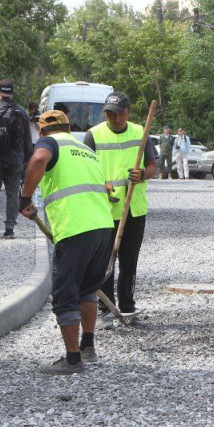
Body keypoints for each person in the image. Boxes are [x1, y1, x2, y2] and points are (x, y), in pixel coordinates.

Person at [19, 110, 114, 374]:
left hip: (75, 228)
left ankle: (73, 361)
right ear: (69, 128)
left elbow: (38, 159)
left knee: (64, 295)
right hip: (103, 227)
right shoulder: (83, 148)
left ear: (41, 130)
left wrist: (24, 198)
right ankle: (88, 347)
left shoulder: (49, 143)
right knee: (87, 289)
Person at [84, 91, 157, 325]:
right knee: (105, 261)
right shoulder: (93, 135)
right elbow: (86, 169)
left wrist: (143, 174)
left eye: (119, 114)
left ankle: (127, 308)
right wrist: (100, 184)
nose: (114, 119)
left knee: (129, 260)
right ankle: (106, 310)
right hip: (104, 209)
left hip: (134, 209)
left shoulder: (140, 132)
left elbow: (153, 166)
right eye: (109, 114)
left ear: (128, 112)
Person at [0, 79, 33, 239]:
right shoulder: (21, 111)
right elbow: (27, 139)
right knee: (12, 192)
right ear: (12, 92)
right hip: (15, 159)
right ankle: (10, 229)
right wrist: (27, 159)